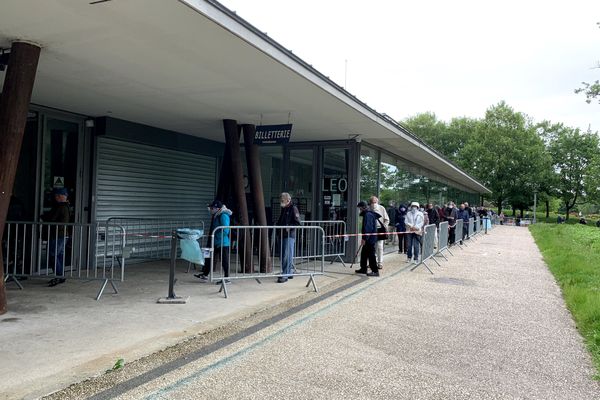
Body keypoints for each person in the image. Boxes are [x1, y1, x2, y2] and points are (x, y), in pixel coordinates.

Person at [196, 200, 232, 284]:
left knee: (224, 261)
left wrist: (216, 235)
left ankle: (227, 278)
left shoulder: (223, 215)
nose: (210, 209)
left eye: (212, 208)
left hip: (222, 243)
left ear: (217, 208)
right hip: (215, 242)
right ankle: (205, 274)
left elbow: (226, 230)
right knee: (208, 257)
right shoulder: (216, 215)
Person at [42, 187, 71, 287]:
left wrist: (44, 217)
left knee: (53, 255)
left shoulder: (61, 207)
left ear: (61, 196)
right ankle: (60, 275)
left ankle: (59, 275)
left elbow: (52, 219)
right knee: (59, 256)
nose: (56, 198)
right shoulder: (66, 206)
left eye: (57, 196)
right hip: (62, 235)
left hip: (57, 235)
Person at [275, 192, 301, 283]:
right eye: (280, 200)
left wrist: (289, 227)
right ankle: (288, 272)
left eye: (282, 200)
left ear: (288, 200)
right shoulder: (284, 209)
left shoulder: (293, 208)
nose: (281, 202)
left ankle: (285, 274)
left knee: (286, 255)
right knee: (283, 255)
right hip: (282, 235)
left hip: (289, 235)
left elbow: (298, 222)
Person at [355, 201, 380, 277]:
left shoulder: (368, 215)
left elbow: (368, 228)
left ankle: (375, 271)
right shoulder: (368, 213)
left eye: (360, 208)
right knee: (364, 254)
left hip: (370, 239)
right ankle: (363, 268)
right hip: (369, 238)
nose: (359, 210)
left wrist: (364, 238)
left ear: (363, 207)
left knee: (371, 255)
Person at [369, 196, 389, 269]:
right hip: (371, 230)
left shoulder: (382, 208)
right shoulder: (369, 209)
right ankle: (372, 262)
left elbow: (387, 219)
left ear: (377, 202)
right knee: (371, 247)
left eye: (375, 202)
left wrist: (384, 226)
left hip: (380, 229)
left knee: (380, 247)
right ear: (370, 203)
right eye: (372, 202)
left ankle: (380, 262)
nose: (374, 204)